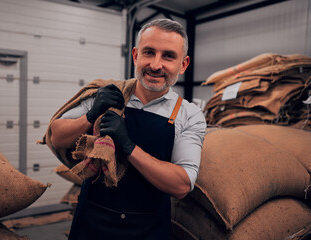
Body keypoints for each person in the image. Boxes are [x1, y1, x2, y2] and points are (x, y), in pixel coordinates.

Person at [50, 18, 206, 240]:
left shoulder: (188, 115)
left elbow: (182, 184)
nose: (155, 65)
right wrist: (91, 114)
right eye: (149, 52)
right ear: (135, 55)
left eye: (168, 56)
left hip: (148, 229)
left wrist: (128, 147)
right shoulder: (107, 95)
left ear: (183, 64)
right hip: (91, 223)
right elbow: (56, 136)